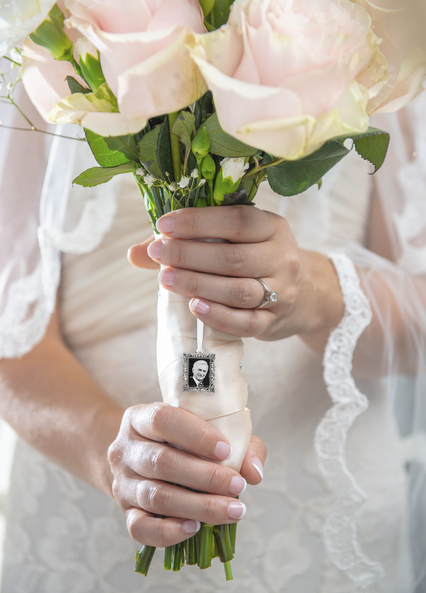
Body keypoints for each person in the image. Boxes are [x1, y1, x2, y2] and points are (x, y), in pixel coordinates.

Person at [0, 85, 425, 593]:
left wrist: (315, 292)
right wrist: (118, 461)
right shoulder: (52, 26)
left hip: (327, 506)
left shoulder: (378, 30)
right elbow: (11, 330)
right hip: (89, 494)